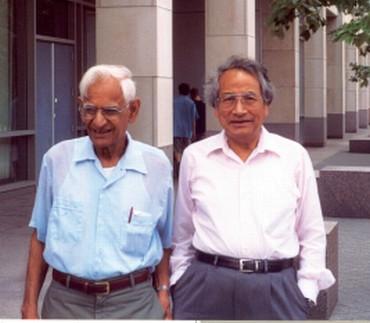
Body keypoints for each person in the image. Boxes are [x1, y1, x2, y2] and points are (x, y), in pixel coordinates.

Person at [170, 56, 335, 320]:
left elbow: (312, 233)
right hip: (204, 287)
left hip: (276, 288)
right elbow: (182, 232)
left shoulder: (293, 156)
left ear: (266, 105)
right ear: (215, 107)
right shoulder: (195, 156)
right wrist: (180, 281)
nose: (238, 110)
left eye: (249, 98)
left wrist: (305, 291)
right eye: (228, 99)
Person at [21, 65, 173, 319]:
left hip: (134, 304)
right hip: (65, 303)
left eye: (110, 111)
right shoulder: (57, 160)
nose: (98, 121)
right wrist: (29, 305)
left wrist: (164, 292)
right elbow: (41, 236)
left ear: (133, 110)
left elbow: (165, 240)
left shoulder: (156, 166)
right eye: (89, 110)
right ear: (80, 106)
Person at [173, 82, 198, 178]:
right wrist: (194, 132)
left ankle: (178, 167)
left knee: (177, 151)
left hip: (176, 130)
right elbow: (193, 119)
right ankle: (185, 170)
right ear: (188, 91)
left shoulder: (174, 101)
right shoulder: (191, 103)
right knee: (186, 151)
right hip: (187, 132)